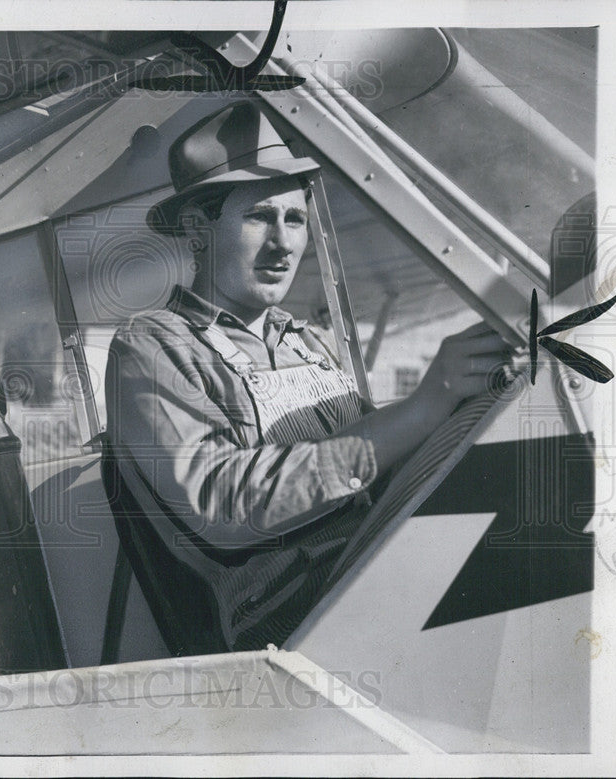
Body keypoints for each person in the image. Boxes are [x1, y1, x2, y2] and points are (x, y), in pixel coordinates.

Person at [102, 101, 511, 656]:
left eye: (294, 219)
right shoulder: (151, 344)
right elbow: (221, 505)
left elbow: (380, 465)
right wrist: (425, 404)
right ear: (198, 228)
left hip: (378, 564)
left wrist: (471, 397)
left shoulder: (303, 340)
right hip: (294, 625)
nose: (284, 243)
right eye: (259, 217)